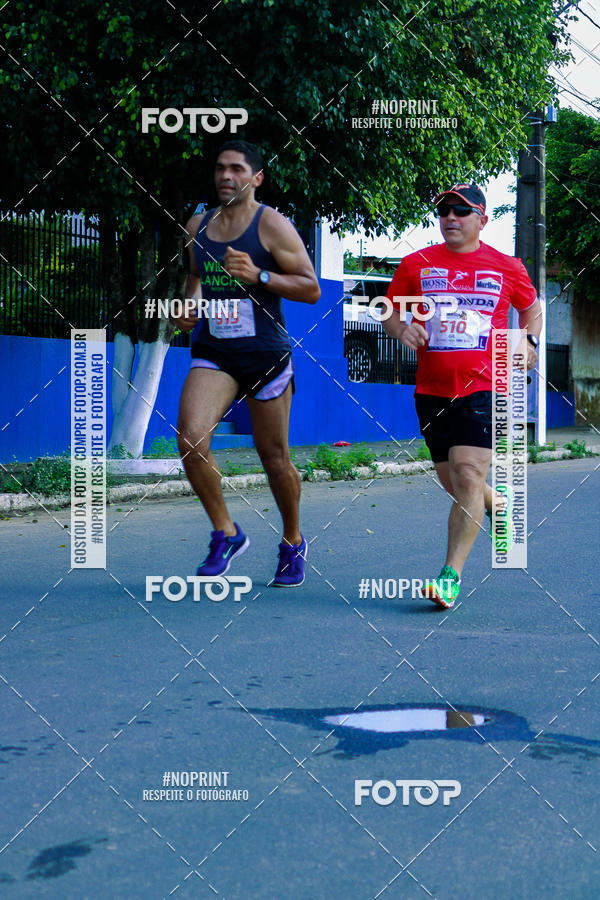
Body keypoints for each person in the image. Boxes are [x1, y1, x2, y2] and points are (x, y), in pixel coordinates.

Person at [383, 184, 542, 608]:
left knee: (468, 474)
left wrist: (529, 343)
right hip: (431, 389)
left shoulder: (506, 266)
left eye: (461, 211)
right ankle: (498, 501)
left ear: (482, 219)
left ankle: (449, 575)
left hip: (486, 385)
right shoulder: (417, 263)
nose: (450, 217)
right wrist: (401, 329)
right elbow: (388, 308)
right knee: (456, 483)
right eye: (444, 210)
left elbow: (532, 307)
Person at [174, 141, 320, 586]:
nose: (226, 175)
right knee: (190, 438)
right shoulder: (197, 226)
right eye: (220, 168)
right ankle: (226, 531)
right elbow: (194, 278)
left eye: (237, 169)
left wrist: (259, 275)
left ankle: (293, 540)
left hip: (265, 354)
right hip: (215, 351)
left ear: (256, 179)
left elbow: (310, 287)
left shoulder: (272, 225)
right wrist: (187, 306)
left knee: (274, 458)